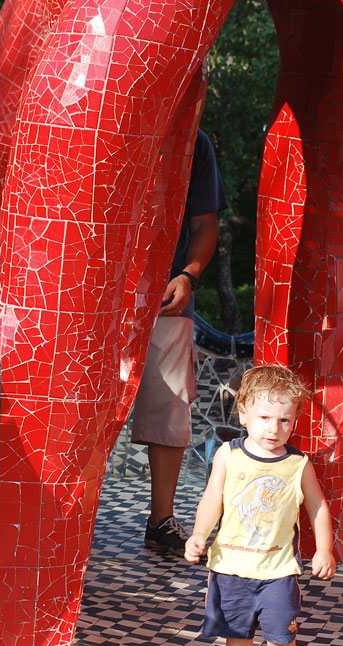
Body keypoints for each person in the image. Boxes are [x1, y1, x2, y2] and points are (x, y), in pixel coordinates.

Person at [184, 365, 335, 646]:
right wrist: (198, 535)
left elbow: (317, 506)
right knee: (238, 634)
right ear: (243, 414)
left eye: (284, 420)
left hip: (278, 569)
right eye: (265, 417)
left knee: (281, 633)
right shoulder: (229, 455)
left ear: (295, 420)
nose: (274, 428)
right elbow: (212, 499)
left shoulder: (298, 464)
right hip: (231, 568)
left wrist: (324, 548)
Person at [132, 128, 228, 556]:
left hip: (168, 301)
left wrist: (187, 275)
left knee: (169, 406)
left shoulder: (197, 142)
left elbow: (206, 224)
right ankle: (66, 518)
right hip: (97, 296)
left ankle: (161, 520)